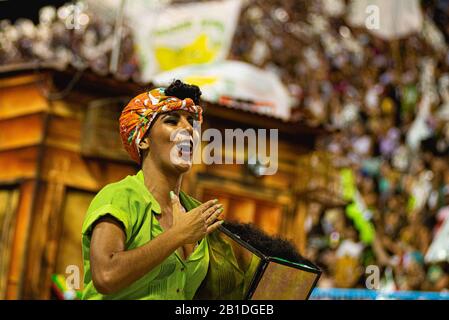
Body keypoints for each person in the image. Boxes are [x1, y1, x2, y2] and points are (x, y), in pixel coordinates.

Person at [81, 80, 224, 299]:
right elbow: (106, 277)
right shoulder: (119, 197)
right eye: (172, 121)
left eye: (192, 122)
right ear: (144, 140)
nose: (187, 128)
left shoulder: (196, 213)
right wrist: (177, 235)